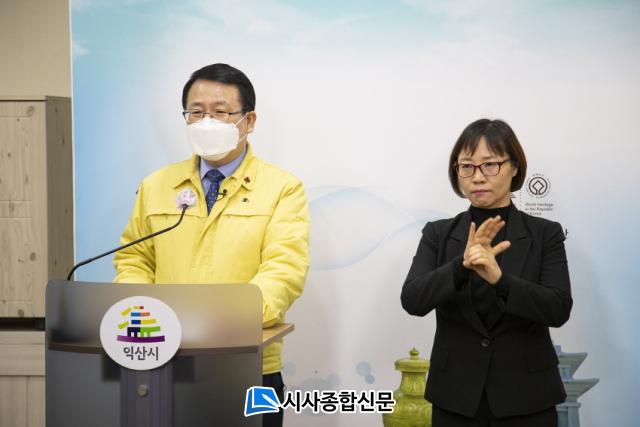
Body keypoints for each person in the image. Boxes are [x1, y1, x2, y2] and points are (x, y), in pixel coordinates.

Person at [114, 63, 309, 427]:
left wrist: (223, 321)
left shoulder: (282, 188)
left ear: (249, 121)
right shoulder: (156, 185)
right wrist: (144, 315)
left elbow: (284, 270)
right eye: (196, 112)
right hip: (163, 356)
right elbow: (134, 258)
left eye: (220, 112)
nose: (206, 122)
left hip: (249, 362)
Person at [400, 119, 572, 426]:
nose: (477, 176)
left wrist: (500, 279)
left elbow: (557, 308)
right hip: (455, 400)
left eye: (490, 164)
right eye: (467, 166)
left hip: (527, 399)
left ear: (514, 167)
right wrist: (461, 266)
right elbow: (413, 300)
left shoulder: (545, 233)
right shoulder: (438, 234)